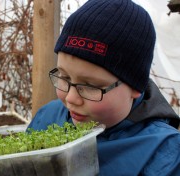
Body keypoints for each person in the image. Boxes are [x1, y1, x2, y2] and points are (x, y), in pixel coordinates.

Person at [27, 0, 180, 175]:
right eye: (64, 77)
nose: (70, 98)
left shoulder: (165, 155)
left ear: (135, 85)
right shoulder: (47, 116)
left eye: (90, 86)